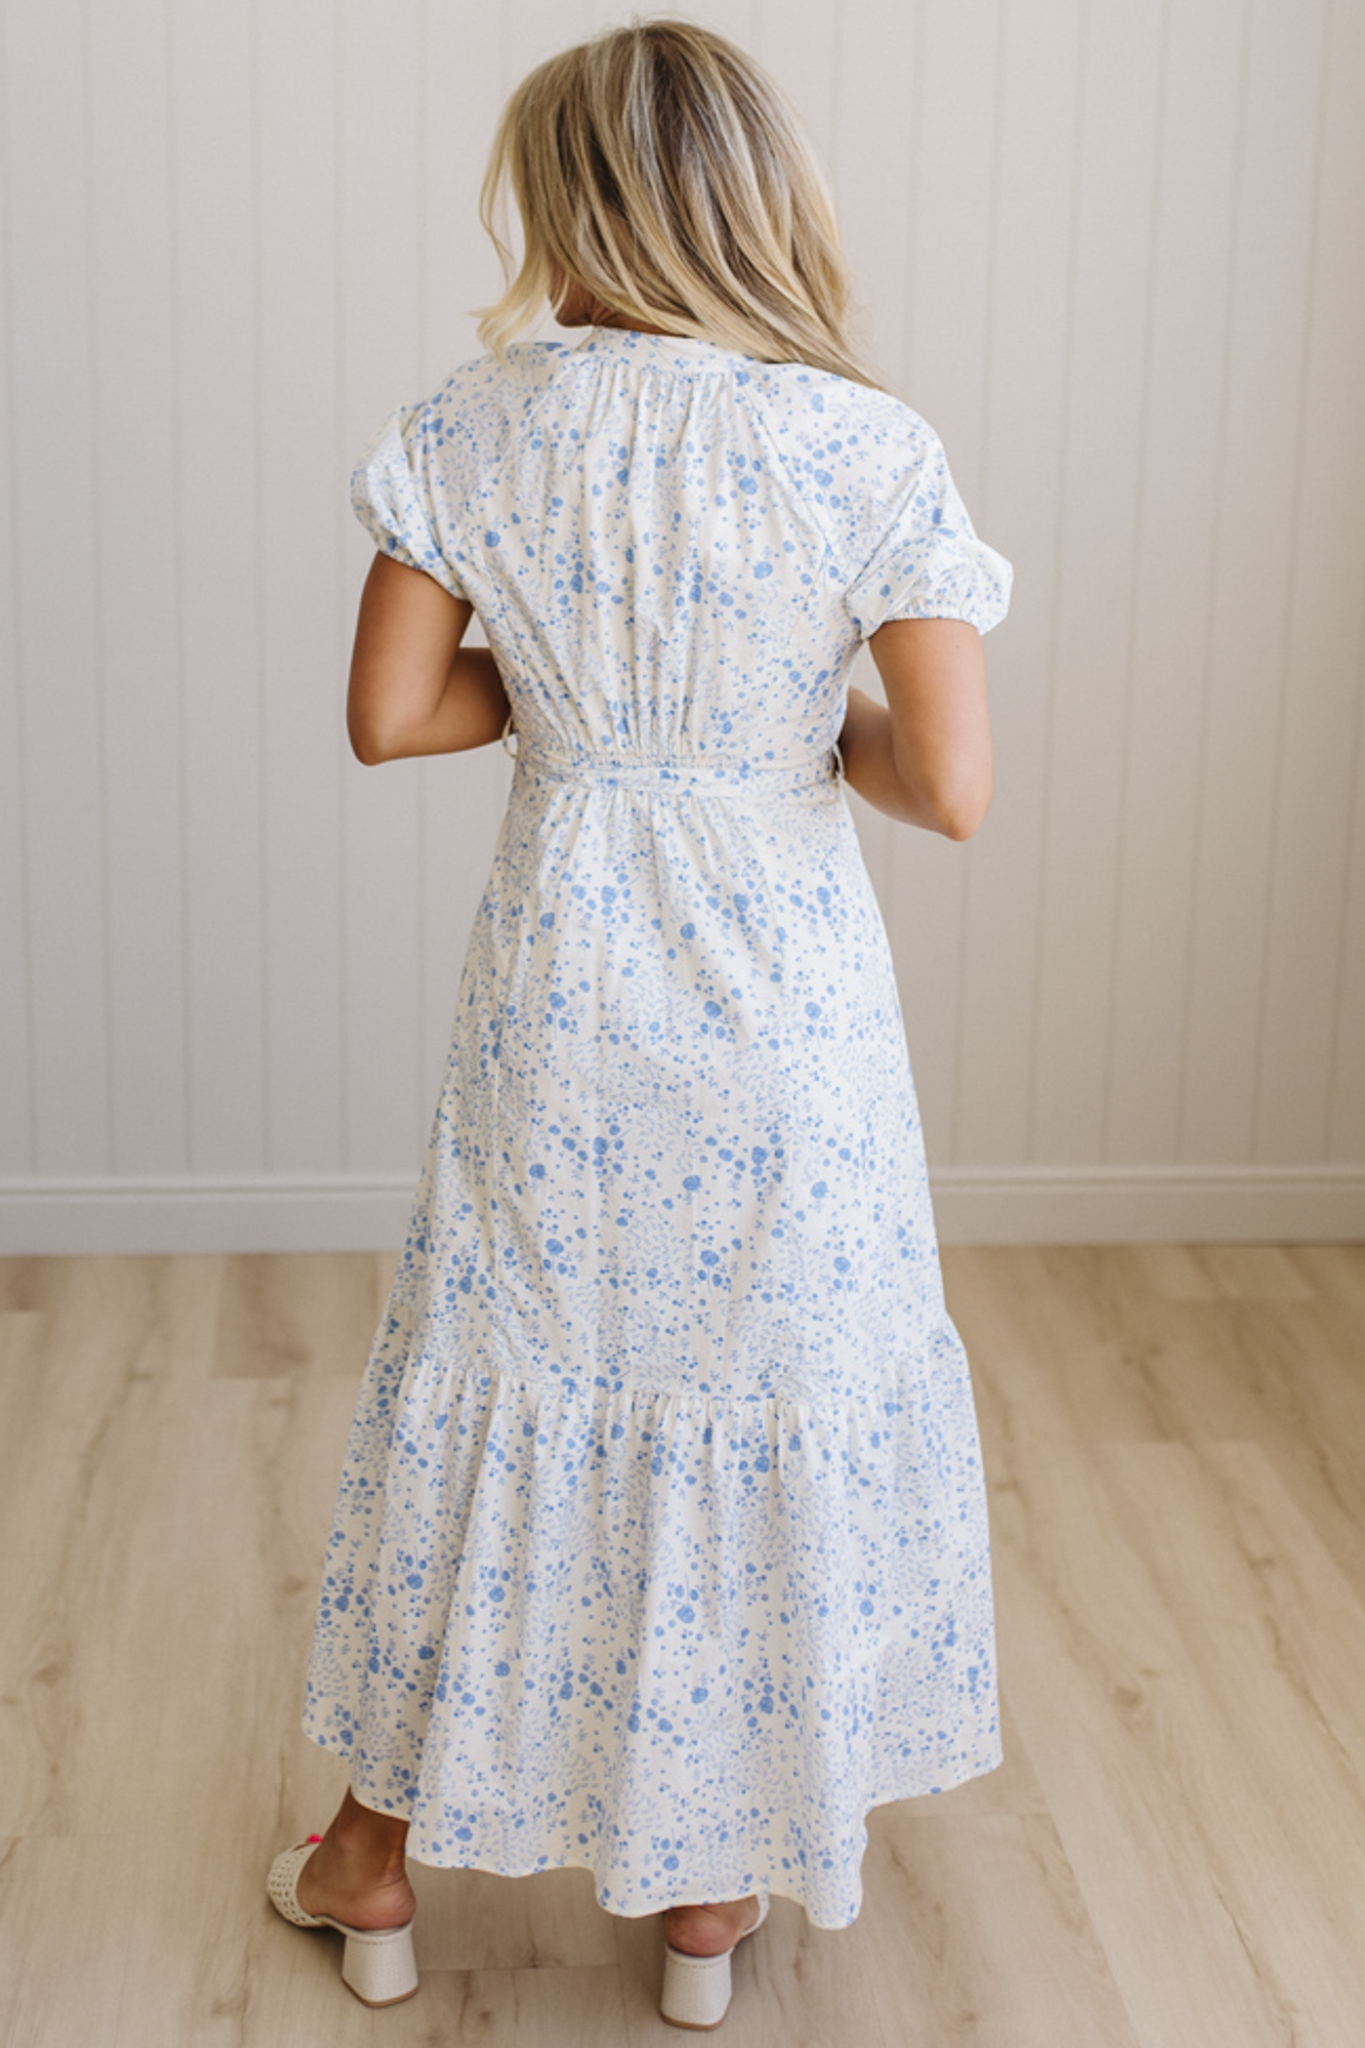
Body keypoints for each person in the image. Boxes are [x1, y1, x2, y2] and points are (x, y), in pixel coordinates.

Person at [266, 18, 1012, 2031]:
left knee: (511, 1376)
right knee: (757, 1383)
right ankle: (701, 1900)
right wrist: (784, 719)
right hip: (784, 1016)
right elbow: (949, 786)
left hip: (565, 997)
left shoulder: (473, 425)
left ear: (568, 203)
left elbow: (389, 715)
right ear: (759, 198)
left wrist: (573, 694)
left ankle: (371, 1866)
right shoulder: (864, 447)